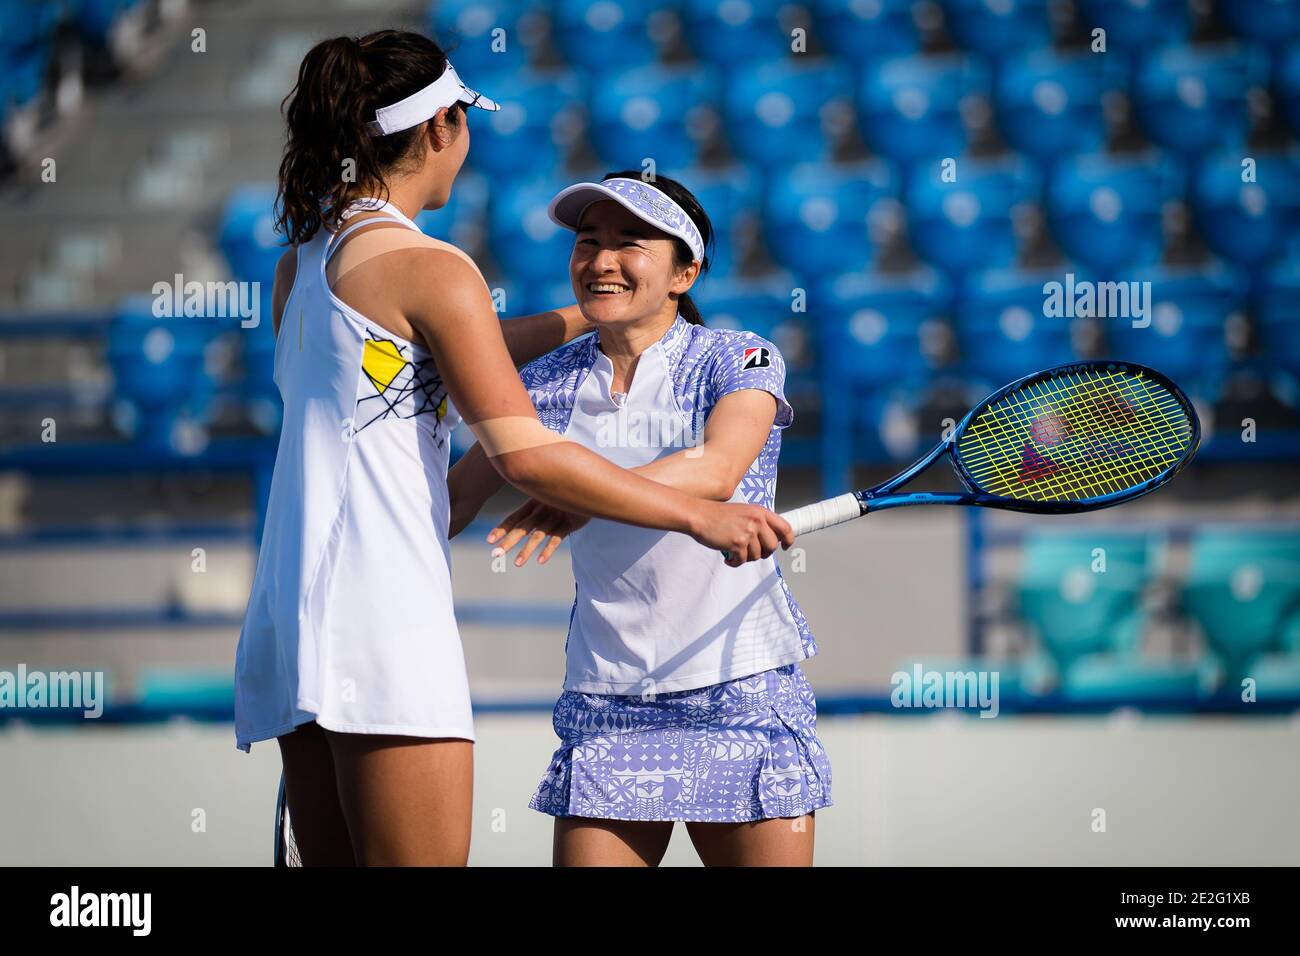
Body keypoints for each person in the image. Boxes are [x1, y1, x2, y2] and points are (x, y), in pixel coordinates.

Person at [233, 31, 792, 867]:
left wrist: (591, 314)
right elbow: (522, 452)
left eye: (628, 243)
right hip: (382, 614)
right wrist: (695, 516)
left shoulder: (299, 265)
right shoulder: (433, 268)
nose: (600, 255)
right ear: (440, 129)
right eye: (466, 123)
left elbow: (441, 353)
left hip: (289, 615)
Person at [447, 172, 830, 867]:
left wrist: (576, 492)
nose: (600, 260)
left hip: (739, 687)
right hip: (608, 699)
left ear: (686, 271)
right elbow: (457, 499)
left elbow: (717, 470)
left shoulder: (739, 356)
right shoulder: (545, 381)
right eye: (588, 242)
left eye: (630, 243)